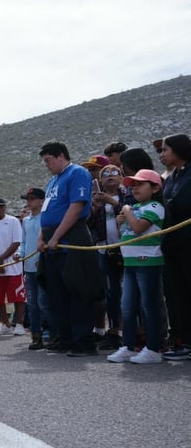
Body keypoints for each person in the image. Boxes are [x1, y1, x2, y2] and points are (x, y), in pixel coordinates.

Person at [38, 141, 103, 357]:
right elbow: (47, 212)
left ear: (60, 156)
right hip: (52, 242)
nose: (47, 164)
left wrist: (56, 236)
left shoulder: (77, 173)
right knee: (57, 293)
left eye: (48, 160)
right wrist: (42, 237)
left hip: (71, 237)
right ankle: (64, 337)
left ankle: (82, 340)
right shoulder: (52, 181)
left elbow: (76, 207)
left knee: (77, 291)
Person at [106, 169, 166, 364]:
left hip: (148, 262)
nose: (135, 188)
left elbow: (140, 228)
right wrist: (120, 221)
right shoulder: (134, 207)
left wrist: (127, 212)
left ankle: (154, 348)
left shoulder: (155, 206)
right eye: (133, 185)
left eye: (141, 184)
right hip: (130, 263)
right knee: (127, 306)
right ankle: (129, 346)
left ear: (155, 188)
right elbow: (126, 232)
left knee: (149, 306)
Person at [159, 133, 191, 361]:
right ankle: (184, 341)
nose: (161, 155)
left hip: (188, 243)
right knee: (179, 294)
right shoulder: (172, 177)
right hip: (173, 244)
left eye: (164, 150)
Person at [88, 164, 126, 350]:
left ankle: (128, 331)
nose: (110, 176)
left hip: (126, 249)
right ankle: (113, 332)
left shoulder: (128, 195)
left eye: (114, 173)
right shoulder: (97, 199)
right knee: (111, 292)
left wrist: (113, 202)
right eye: (105, 174)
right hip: (104, 249)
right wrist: (94, 209)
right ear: (100, 180)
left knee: (128, 291)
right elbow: (89, 225)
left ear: (121, 176)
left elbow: (132, 212)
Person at [14, 187, 53, 350]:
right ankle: (36, 335)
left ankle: (50, 333)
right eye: (27, 199)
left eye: (32, 198)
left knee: (44, 302)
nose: (28, 202)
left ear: (41, 201)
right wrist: (19, 253)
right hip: (29, 268)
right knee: (32, 303)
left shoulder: (46, 219)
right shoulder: (27, 220)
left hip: (43, 267)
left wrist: (42, 258)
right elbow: (23, 242)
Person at [0, 198, 24, 336]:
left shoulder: (13, 221)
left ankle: (19, 323)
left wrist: (0, 260)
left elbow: (16, 242)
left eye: (1, 206)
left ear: (5, 207)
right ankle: (5, 323)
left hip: (12, 265)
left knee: (17, 297)